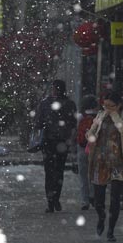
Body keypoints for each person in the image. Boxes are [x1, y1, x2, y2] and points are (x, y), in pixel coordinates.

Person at [86, 91, 123, 241]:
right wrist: (90, 135)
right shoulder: (101, 115)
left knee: (115, 199)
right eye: (105, 105)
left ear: (118, 105)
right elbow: (91, 132)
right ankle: (101, 217)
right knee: (98, 200)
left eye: (111, 105)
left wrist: (114, 115)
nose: (107, 108)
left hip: (118, 162)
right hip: (100, 161)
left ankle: (111, 231)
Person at [35, 79, 77, 213]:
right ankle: (55, 199)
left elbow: (38, 123)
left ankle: (51, 201)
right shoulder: (69, 104)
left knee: (50, 172)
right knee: (58, 172)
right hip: (61, 142)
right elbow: (73, 123)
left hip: (49, 142)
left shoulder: (45, 104)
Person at [76, 94, 99, 210]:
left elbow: (75, 133)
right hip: (95, 149)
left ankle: (85, 200)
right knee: (95, 174)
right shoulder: (98, 117)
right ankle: (94, 196)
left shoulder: (80, 116)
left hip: (82, 148)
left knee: (83, 175)